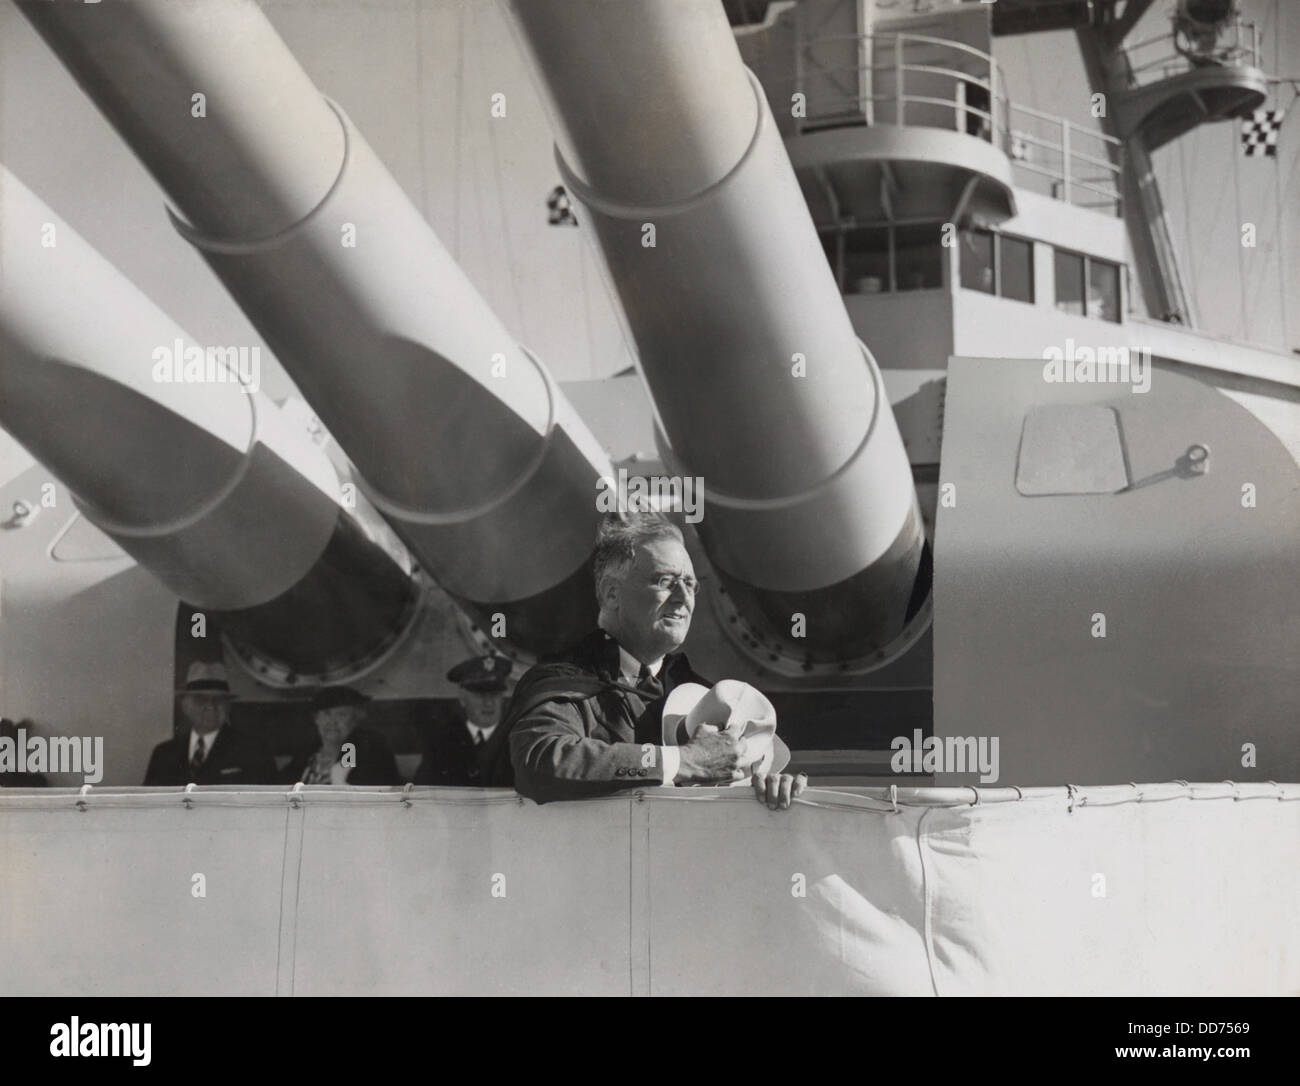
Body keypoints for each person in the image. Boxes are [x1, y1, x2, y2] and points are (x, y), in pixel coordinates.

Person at [505, 512, 807, 808]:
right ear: (611, 594)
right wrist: (683, 760)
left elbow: (734, 781)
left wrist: (769, 788)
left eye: (690, 584)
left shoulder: (699, 693)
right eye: (665, 581)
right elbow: (541, 758)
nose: (683, 597)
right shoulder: (563, 680)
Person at [143, 661, 275, 785]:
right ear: (185, 706)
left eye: (219, 700)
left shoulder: (253, 751)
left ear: (228, 706)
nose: (210, 706)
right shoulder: (163, 754)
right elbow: (148, 804)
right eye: (201, 699)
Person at [413, 655, 514, 787]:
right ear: (462, 699)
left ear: (503, 698)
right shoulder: (441, 744)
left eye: (495, 694)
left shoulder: (516, 740)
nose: (489, 703)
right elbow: (423, 791)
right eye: (480, 695)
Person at [284, 686, 401, 786]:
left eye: (341, 714)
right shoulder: (307, 754)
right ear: (316, 719)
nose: (332, 721)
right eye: (326, 713)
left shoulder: (369, 753)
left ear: (355, 720)